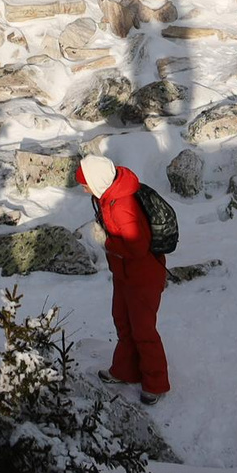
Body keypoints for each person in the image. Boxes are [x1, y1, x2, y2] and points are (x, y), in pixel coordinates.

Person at [74, 154, 169, 404]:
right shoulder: (107, 198)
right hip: (125, 274)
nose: (83, 188)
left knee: (143, 330)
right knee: (124, 323)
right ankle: (126, 371)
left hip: (143, 277)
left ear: (97, 181)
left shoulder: (122, 205)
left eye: (85, 183)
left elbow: (137, 246)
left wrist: (105, 241)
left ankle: (155, 384)